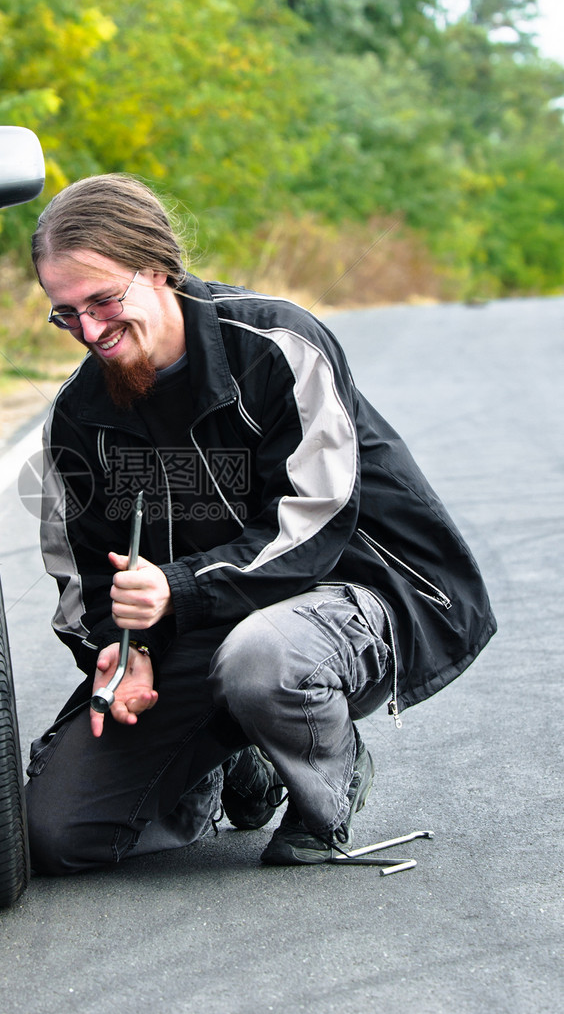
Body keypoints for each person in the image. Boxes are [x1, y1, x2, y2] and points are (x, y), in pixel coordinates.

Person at [25, 173, 496, 875]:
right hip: (204, 620)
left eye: (103, 300)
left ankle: (325, 785)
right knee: (55, 833)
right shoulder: (78, 415)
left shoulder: (277, 345)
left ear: (158, 270)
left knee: (263, 658)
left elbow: (318, 521)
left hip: (353, 597)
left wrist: (177, 590)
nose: (89, 331)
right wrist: (124, 651)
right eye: (65, 314)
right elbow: (83, 572)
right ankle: (224, 766)